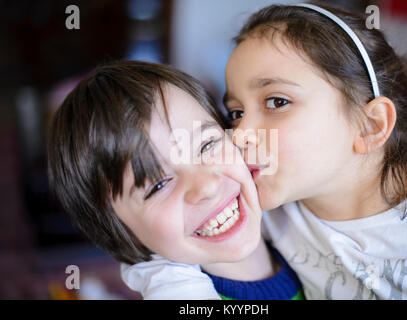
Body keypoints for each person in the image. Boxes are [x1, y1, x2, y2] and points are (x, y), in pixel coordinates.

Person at [122, 3, 407, 299]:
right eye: (236, 114)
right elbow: (160, 254)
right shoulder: (265, 210)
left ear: (370, 125)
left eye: (277, 102)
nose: (239, 136)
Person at [47, 60, 304, 300]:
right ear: (118, 232)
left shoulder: (306, 219)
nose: (207, 186)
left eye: (207, 146)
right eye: (158, 185)